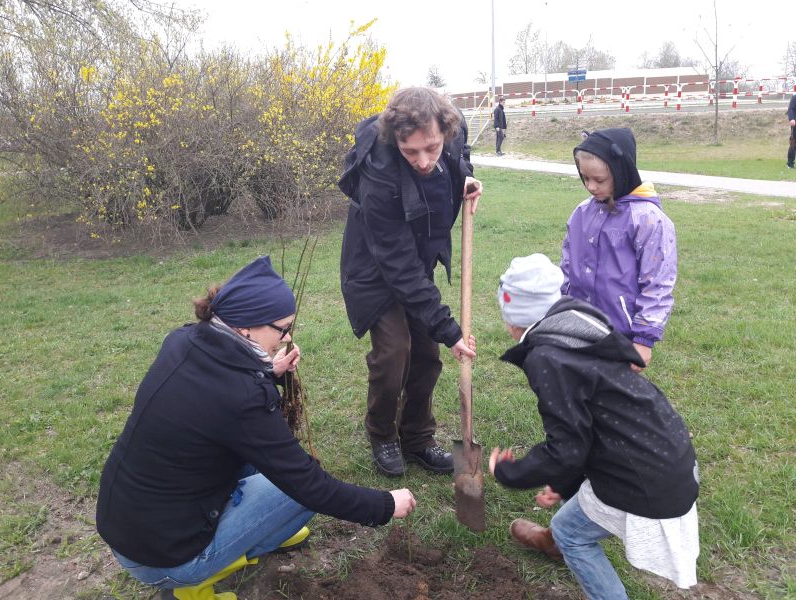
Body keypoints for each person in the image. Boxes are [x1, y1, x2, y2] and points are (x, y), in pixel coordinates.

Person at [96, 256, 416, 599]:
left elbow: (215, 403)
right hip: (165, 560)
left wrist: (269, 373)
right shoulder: (243, 397)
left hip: (127, 527)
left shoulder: (184, 340)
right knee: (300, 493)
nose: (287, 336)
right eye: (282, 327)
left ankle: (255, 531)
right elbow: (310, 486)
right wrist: (384, 505)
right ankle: (189, 583)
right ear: (246, 326)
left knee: (262, 465)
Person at [489, 253, 700, 600]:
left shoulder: (547, 358)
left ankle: (567, 547)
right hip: (667, 455)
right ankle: (555, 543)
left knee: (570, 533)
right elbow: (587, 427)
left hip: (644, 478)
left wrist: (511, 473)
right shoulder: (578, 324)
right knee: (571, 522)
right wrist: (562, 481)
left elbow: (567, 449)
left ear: (516, 319)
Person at [338, 87, 482, 477]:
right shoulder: (377, 174)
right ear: (395, 139)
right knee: (394, 352)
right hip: (374, 269)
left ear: (444, 132)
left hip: (417, 258)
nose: (423, 161)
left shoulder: (453, 133)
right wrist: (450, 330)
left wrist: (465, 178)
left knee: (426, 354)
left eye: (431, 149)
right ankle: (382, 433)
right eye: (411, 152)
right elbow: (398, 267)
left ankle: (417, 438)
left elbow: (458, 157)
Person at [561, 127, 677, 372]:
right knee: (576, 394)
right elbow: (567, 266)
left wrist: (644, 339)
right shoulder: (582, 212)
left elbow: (658, 282)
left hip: (620, 335)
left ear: (621, 172)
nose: (591, 187)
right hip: (579, 324)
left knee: (611, 401)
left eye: (599, 180)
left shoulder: (647, 219)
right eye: (585, 178)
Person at [787, 93, 796, 169]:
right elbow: (791, 109)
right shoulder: (795, 97)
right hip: (795, 123)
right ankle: (790, 163)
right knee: (793, 143)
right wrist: (791, 118)